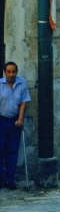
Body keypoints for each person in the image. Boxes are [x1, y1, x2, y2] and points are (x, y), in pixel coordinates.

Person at [0, 61, 31, 190]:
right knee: (0, 150)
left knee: (12, 151)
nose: (11, 74)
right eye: (9, 72)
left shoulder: (22, 83)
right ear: (5, 72)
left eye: (13, 72)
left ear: (16, 72)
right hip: (1, 120)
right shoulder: (0, 84)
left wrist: (20, 118)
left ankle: (9, 179)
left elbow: (24, 102)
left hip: (15, 122)